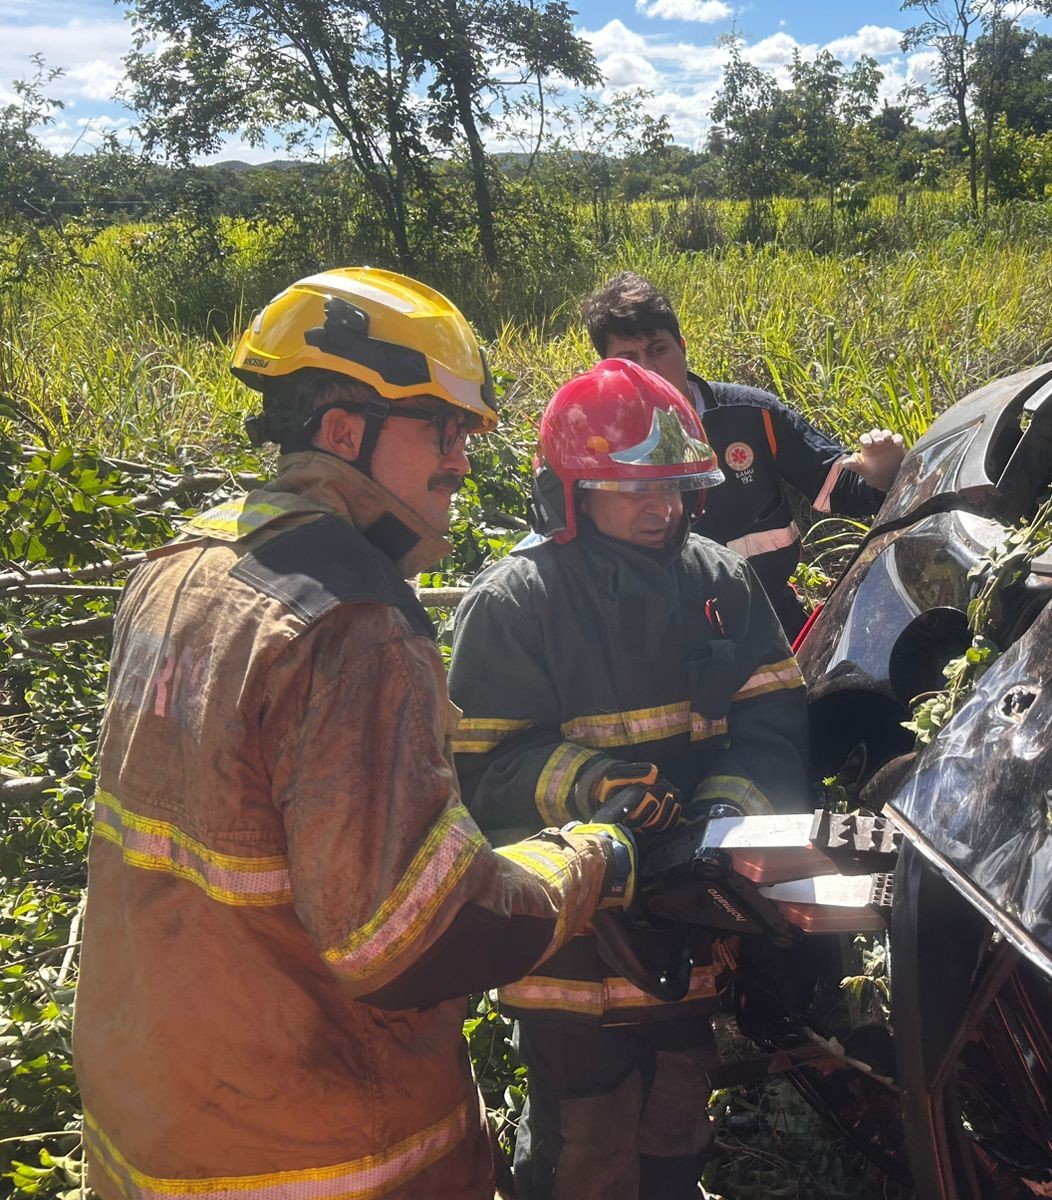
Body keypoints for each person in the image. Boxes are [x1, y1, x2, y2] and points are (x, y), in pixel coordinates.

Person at [73, 268, 641, 1198]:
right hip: (319, 1149)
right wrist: (583, 862)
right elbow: (411, 938)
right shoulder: (353, 625)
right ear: (346, 431)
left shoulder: (181, 565)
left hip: (151, 1124)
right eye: (442, 430)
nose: (461, 459)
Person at [448, 357, 811, 1200]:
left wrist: (720, 823)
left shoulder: (718, 581)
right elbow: (476, 769)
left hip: (687, 930)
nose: (665, 509)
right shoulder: (515, 603)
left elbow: (772, 727)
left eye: (678, 489)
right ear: (568, 494)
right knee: (587, 1146)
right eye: (635, 490)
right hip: (570, 949)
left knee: (681, 1116)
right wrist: (589, 788)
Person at [580, 272, 906, 639]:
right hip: (666, 634)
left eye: (658, 349)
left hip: (768, 613)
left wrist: (881, 474)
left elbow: (835, 483)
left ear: (682, 347)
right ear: (606, 371)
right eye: (629, 358)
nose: (649, 368)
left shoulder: (753, 414)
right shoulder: (595, 446)